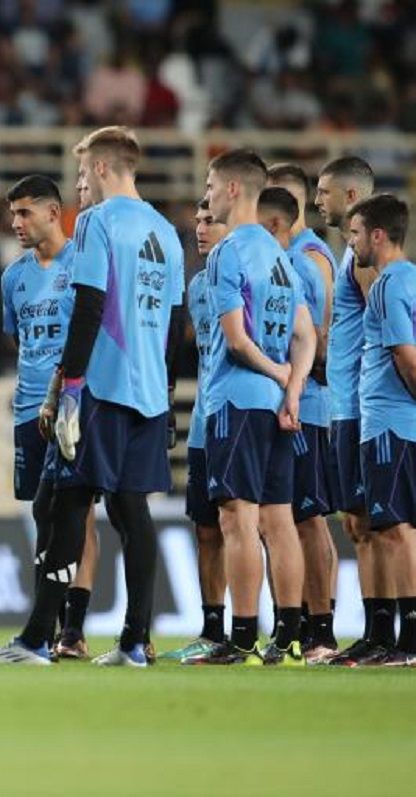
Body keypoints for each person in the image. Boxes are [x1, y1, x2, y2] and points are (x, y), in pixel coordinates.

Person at [0, 127, 184, 667]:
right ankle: (135, 642)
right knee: (132, 513)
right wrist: (167, 396)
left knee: (64, 506)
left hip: (103, 387)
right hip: (150, 394)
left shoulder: (96, 222)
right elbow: (174, 326)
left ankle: (37, 639)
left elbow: (88, 308)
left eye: (85, 168)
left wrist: (68, 391)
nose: (81, 179)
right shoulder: (166, 232)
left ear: (105, 168)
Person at [183, 150, 317, 666]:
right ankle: (287, 637)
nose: (208, 194)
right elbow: (305, 335)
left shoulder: (229, 252)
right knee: (279, 520)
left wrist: (282, 375)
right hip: (277, 408)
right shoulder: (282, 257)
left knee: (237, 519)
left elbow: (236, 341)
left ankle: (239, 640)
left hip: (235, 400)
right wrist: (293, 387)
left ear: (234, 189)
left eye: (212, 185)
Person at [0, 175, 99, 660]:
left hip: (75, 406)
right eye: (13, 213)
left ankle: (73, 630)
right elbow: (21, 342)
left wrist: (64, 392)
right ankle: (51, 627)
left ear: (53, 212)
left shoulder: (84, 262)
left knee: (79, 517)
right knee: (42, 517)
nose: (15, 222)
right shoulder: (12, 276)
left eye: (24, 212)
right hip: (27, 408)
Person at [315, 157, 396, 666]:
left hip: (361, 406)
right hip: (348, 404)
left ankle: (385, 633)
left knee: (377, 525)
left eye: (324, 192)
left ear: (351, 199)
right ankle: (377, 631)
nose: (317, 200)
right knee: (360, 525)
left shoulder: (365, 262)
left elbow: (381, 331)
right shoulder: (349, 256)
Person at [260, 171, 340, 662]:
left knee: (309, 518)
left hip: (306, 403)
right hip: (289, 401)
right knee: (289, 517)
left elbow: (317, 337)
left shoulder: (307, 259)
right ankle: (302, 622)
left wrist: (297, 385)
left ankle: (322, 628)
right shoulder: (284, 257)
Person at [349, 193, 416, 666]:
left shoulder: (390, 284)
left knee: (395, 529)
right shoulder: (412, 278)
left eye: (354, 233)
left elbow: (405, 356)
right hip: (400, 422)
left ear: (377, 234)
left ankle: (410, 639)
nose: (350, 243)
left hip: (391, 421)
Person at [162, 199, 230, 661]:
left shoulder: (247, 272)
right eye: (199, 222)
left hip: (242, 413)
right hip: (205, 419)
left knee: (249, 524)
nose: (200, 230)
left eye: (210, 222)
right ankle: (213, 629)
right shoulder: (199, 284)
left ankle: (272, 627)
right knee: (205, 529)